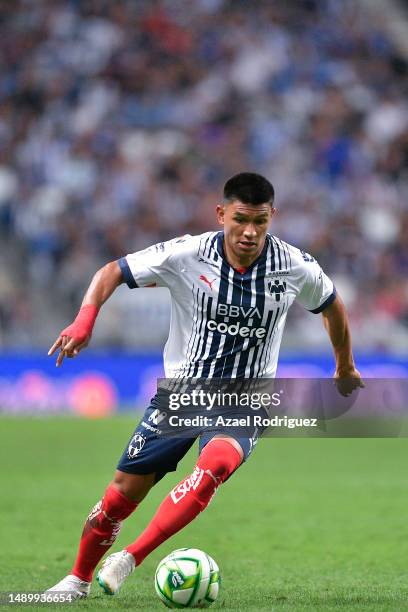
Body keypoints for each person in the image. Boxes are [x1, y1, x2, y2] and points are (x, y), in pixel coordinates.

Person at [46, 172, 363, 599]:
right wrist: (85, 320)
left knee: (213, 466)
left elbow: (332, 306)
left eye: (261, 222)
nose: (250, 232)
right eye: (240, 219)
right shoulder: (187, 253)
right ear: (221, 214)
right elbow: (112, 272)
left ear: (273, 217)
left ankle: (130, 557)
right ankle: (77, 580)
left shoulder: (294, 266)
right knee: (120, 498)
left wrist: (344, 366)